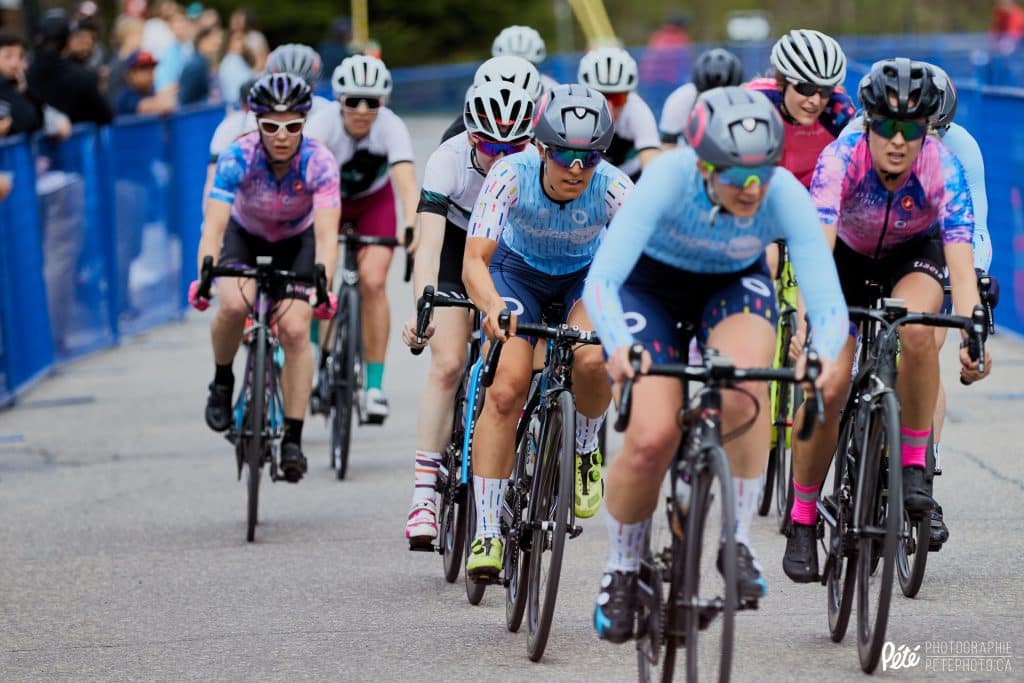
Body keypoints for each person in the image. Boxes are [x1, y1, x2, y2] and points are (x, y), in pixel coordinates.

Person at [583, 86, 849, 642]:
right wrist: (618, 346)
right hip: (649, 289)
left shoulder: (780, 195)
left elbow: (827, 304)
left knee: (746, 384)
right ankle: (622, 570)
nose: (753, 188)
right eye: (736, 175)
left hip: (731, 284)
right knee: (652, 435)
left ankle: (738, 542)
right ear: (705, 165)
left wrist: (822, 357)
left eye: (763, 173)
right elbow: (602, 282)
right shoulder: (667, 178)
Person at [783, 58, 993, 584]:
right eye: (886, 127)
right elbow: (815, 253)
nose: (898, 141)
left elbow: (962, 267)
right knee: (828, 384)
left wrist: (974, 329)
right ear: (867, 123)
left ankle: (916, 464)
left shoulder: (945, 168)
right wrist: (808, 325)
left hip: (910, 256)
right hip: (844, 259)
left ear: (929, 131)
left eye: (912, 129)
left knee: (922, 329)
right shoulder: (841, 158)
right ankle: (803, 518)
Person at [461, 84, 633, 581]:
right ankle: (488, 529)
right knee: (507, 387)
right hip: (517, 276)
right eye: (563, 154)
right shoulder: (508, 176)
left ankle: (584, 445)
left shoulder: (617, 189)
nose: (576, 168)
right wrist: (491, 306)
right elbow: (476, 260)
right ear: (540, 147)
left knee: (591, 356)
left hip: (585, 279)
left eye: (589, 157)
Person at [401, 81, 537, 547]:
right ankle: (423, 498)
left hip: (508, 252)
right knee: (448, 363)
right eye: (489, 145)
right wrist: (424, 309)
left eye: (512, 147)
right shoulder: (448, 157)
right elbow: (430, 245)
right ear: (468, 134)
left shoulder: (537, 160)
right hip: (457, 247)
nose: (500, 157)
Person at [189, 73, 341, 483]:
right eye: (271, 125)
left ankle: (292, 437)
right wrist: (205, 271)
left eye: (292, 125)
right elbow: (214, 226)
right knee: (234, 305)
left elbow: (327, 234)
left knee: (294, 328)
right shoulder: (237, 156)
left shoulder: (319, 161)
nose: (280, 135)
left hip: (297, 241)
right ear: (256, 123)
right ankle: (222, 382)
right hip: (245, 235)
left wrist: (323, 283)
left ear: (304, 123)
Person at [304, 55, 418, 422]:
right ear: (340, 101)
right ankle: (315, 361)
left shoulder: (391, 127)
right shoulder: (321, 126)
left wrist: (412, 224)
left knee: (372, 281)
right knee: (322, 278)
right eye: (354, 100)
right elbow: (303, 183)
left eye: (373, 102)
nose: (363, 110)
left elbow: (405, 183)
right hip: (327, 202)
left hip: (373, 203)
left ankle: (373, 388)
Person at [746, 29, 855, 189]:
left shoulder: (838, 112)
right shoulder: (755, 100)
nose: (816, 101)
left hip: (815, 198)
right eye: (806, 88)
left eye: (825, 90)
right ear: (783, 83)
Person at [578, 46, 661, 180]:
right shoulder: (575, 108)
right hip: (589, 176)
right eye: (601, 97)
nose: (609, 106)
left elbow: (651, 162)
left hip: (631, 176)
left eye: (617, 98)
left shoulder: (637, 110)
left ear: (628, 95)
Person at [27, 8, 112, 126]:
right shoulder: (82, 78)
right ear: (68, 41)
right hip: (81, 142)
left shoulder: (27, 74)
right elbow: (106, 116)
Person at [438, 55, 544, 143]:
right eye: (496, 109)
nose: (505, 125)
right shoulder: (454, 137)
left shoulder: (454, 135)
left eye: (517, 109)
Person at [659, 47, 743, 148]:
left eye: (722, 95)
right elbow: (668, 146)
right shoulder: (680, 99)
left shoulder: (745, 99)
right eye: (708, 94)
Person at [491, 25, 558, 92]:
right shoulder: (551, 88)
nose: (518, 73)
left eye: (527, 66)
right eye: (511, 65)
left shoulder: (551, 89)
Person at [114, 49, 177, 116]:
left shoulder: (151, 91)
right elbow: (161, 106)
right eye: (144, 69)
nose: (150, 73)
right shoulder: (125, 96)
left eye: (151, 69)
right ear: (130, 74)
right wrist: (165, 95)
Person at [178, 23, 224, 105]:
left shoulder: (204, 63)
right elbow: (185, 101)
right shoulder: (196, 66)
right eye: (214, 38)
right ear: (202, 40)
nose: (219, 41)